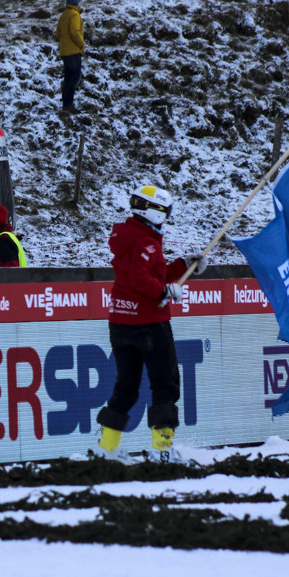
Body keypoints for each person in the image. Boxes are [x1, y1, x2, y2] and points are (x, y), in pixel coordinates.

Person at [94, 185, 208, 460]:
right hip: (149, 323)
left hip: (121, 322)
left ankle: (107, 447)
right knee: (165, 383)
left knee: (126, 386)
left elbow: (152, 273)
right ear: (154, 211)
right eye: (166, 211)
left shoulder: (132, 236)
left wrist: (183, 264)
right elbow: (140, 279)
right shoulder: (145, 241)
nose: (167, 217)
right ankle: (162, 448)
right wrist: (164, 291)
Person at [55, 0, 85, 115]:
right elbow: (74, 32)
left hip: (64, 52)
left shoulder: (64, 15)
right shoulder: (74, 15)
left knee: (68, 78)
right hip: (74, 51)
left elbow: (58, 34)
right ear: (76, 3)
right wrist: (81, 44)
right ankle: (69, 104)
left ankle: (65, 104)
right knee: (75, 78)